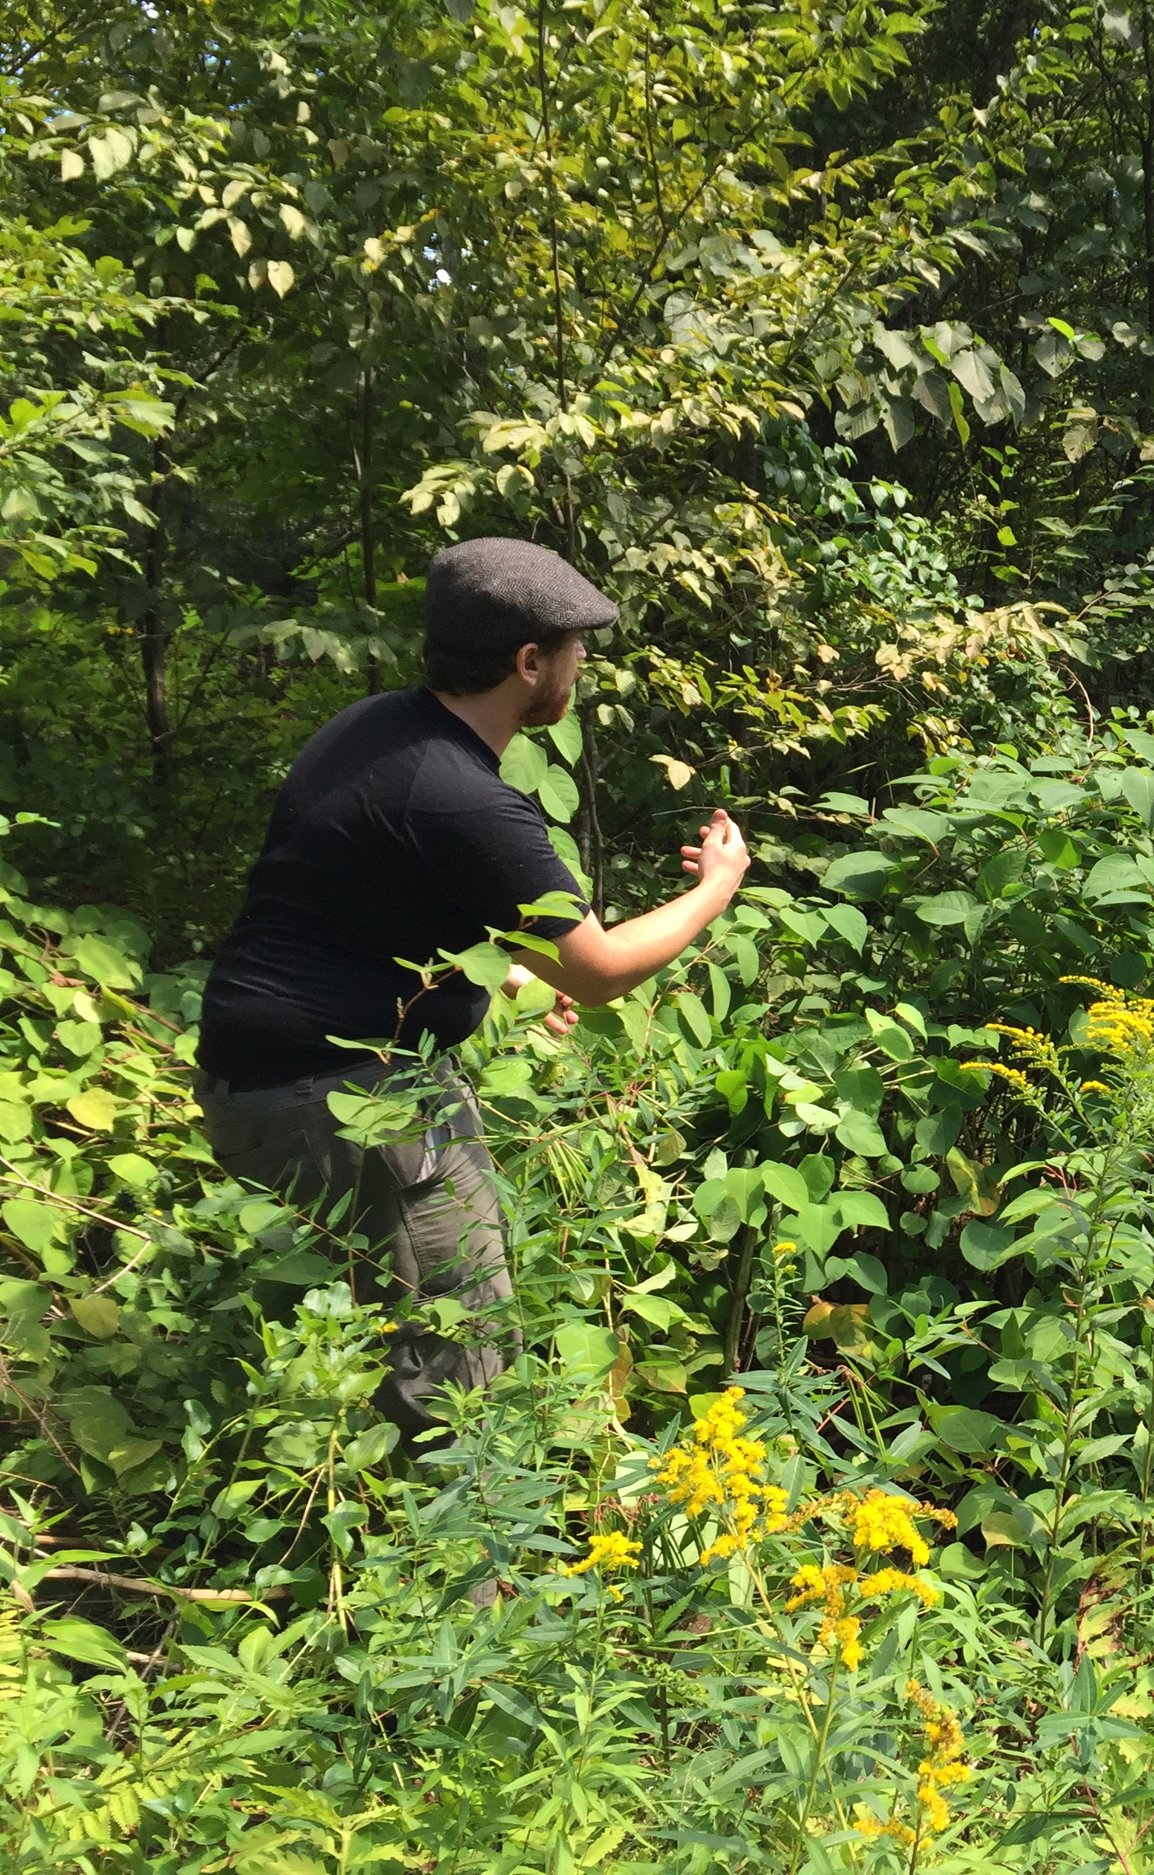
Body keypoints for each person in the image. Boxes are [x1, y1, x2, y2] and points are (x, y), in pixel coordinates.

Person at [195, 538, 752, 1438]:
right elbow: (601, 968)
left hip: (264, 1084)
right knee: (458, 1370)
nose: (582, 666)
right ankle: (467, 1563)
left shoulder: (378, 726)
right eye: (575, 647)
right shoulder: (462, 797)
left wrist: (510, 991)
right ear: (529, 663)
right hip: (341, 1099)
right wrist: (714, 887)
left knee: (382, 1344)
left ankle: (361, 1523)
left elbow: (378, 910)